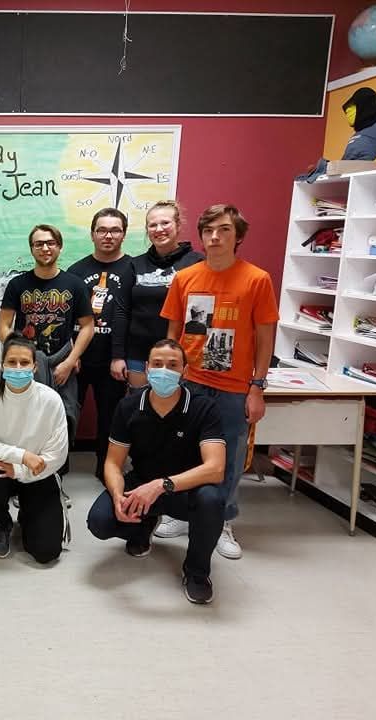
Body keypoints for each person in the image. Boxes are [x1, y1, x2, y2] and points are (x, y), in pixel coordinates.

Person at [159, 204, 279, 560]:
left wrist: (257, 386)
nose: (215, 237)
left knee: (230, 456)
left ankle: (223, 519)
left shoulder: (256, 279)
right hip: (190, 382)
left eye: (224, 229)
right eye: (209, 230)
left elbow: (265, 338)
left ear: (237, 236)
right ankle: (179, 511)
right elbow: (173, 333)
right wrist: (171, 376)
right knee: (181, 449)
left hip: (234, 387)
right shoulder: (185, 278)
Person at [86, 339, 226, 604]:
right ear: (147, 369)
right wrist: (117, 495)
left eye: (172, 365)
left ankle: (197, 572)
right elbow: (113, 463)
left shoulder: (203, 407)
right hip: (142, 484)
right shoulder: (129, 406)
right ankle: (144, 525)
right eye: (158, 364)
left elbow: (215, 468)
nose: (164, 371)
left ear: (185, 371)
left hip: (186, 490)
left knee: (212, 500)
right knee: (100, 521)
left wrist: (162, 484)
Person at [0, 333, 70, 563]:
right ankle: (2, 521)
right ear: (2, 365)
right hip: (3, 470)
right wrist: (22, 456)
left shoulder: (51, 400)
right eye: (11, 362)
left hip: (39, 474)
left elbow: (57, 455)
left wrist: (21, 470)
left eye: (24, 363)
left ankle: (28, 511)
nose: (18, 368)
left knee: (46, 553)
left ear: (35, 367)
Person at [0, 224, 94, 449]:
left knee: (64, 417)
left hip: (62, 361)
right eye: (39, 244)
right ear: (32, 249)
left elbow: (88, 327)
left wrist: (70, 361)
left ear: (59, 247)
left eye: (50, 243)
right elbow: (3, 325)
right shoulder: (17, 284)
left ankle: (58, 464)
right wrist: (20, 356)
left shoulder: (75, 284)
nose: (45, 248)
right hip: (26, 363)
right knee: (22, 417)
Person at [67, 208, 134, 481]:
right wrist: (71, 355)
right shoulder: (77, 270)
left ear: (124, 234)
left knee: (111, 417)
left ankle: (106, 468)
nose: (108, 235)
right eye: (102, 230)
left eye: (115, 230)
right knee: (67, 413)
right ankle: (58, 467)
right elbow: (67, 316)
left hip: (114, 360)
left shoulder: (133, 269)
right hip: (80, 358)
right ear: (92, 234)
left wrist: (122, 355)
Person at [112, 200, 202, 389]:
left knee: (178, 405)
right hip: (138, 355)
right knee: (140, 404)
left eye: (165, 223)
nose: (159, 229)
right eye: (152, 225)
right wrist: (117, 356)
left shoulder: (197, 263)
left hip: (182, 357)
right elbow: (121, 312)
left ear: (178, 225)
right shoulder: (134, 265)